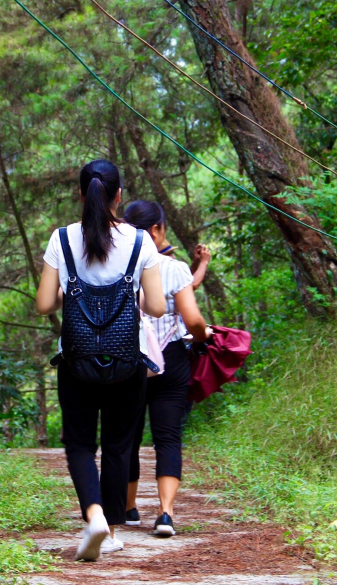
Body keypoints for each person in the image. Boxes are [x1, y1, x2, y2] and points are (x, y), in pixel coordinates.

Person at [36, 160, 166, 560]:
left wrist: (70, 294)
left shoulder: (61, 238)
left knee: (78, 443)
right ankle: (109, 529)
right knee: (117, 445)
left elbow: (44, 304)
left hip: (77, 359)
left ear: (81, 194)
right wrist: (130, 297)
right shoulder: (141, 241)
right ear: (119, 196)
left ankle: (92, 515)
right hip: (127, 359)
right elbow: (157, 307)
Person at [122, 200, 212, 537]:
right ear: (158, 229)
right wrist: (203, 334)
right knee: (168, 438)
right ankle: (165, 514)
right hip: (171, 361)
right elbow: (193, 320)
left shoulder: (115, 267)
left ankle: (128, 509)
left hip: (128, 361)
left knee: (127, 437)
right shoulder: (173, 267)